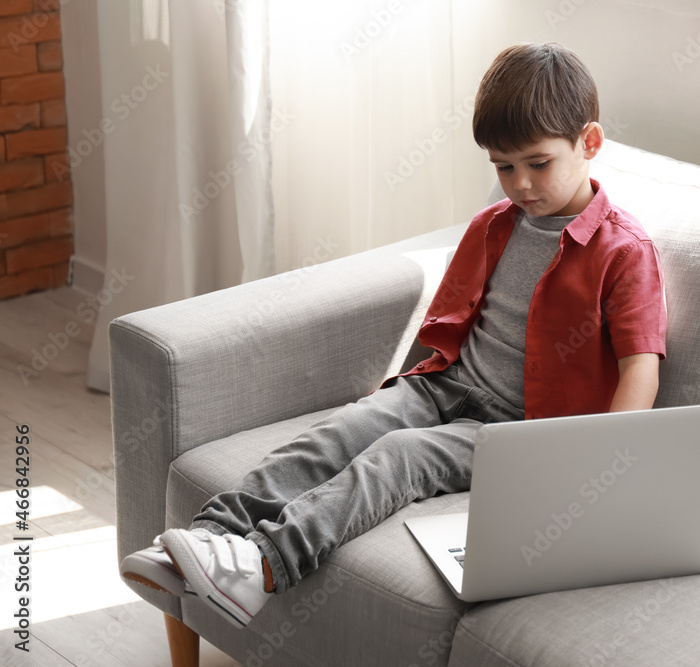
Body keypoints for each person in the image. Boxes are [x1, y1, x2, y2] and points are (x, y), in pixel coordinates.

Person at [120, 41, 667, 629]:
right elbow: (453, 328)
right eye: (503, 167)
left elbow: (641, 367)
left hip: (517, 432)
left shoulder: (622, 251)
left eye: (538, 163)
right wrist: (404, 394)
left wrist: (601, 465)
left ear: (589, 143)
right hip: (444, 387)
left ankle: (263, 566)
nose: (521, 185)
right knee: (338, 433)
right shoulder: (493, 227)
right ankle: (207, 540)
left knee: (401, 458)